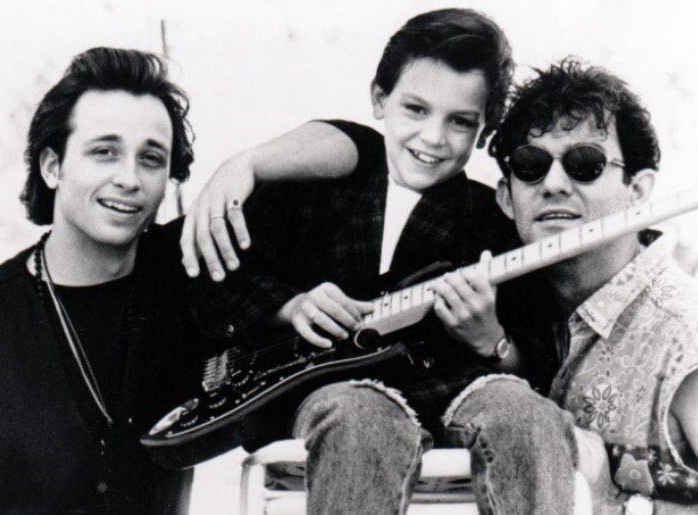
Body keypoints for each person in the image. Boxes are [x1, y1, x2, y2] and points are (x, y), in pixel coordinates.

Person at [183, 9, 567, 514]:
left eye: (460, 121)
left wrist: (492, 340)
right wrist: (291, 306)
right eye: (415, 109)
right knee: (359, 416)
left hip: (462, 388)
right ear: (379, 99)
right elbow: (215, 284)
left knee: (527, 415)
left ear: (484, 128)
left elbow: (539, 360)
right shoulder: (313, 192)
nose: (433, 138)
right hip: (334, 396)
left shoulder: (493, 221)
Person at [0, 47, 201, 514]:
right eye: (104, 152)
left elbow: (361, 162)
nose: (129, 179)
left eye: (152, 159)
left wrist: (247, 168)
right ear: (53, 167)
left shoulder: (187, 283)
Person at [439, 58, 698, 514]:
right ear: (505, 196)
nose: (554, 184)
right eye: (530, 165)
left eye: (585, 163)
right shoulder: (512, 309)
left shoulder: (684, 329)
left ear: (638, 191)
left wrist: (615, 468)